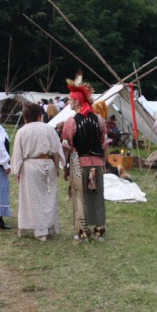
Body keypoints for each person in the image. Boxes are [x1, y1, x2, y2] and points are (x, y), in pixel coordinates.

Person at [61, 72, 108, 242]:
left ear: (77, 101)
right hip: (97, 163)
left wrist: (65, 167)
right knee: (97, 195)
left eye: (69, 100)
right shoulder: (100, 120)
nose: (68, 102)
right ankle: (99, 230)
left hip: (77, 162)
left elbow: (67, 147)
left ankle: (82, 232)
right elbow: (104, 144)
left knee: (79, 196)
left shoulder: (71, 123)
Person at [11, 103, 65, 241]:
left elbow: (18, 153)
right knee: (48, 197)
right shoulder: (49, 129)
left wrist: (17, 170)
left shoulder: (22, 131)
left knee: (34, 198)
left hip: (30, 166)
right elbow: (57, 149)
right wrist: (58, 164)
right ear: (40, 115)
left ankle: (42, 229)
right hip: (47, 164)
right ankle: (45, 228)